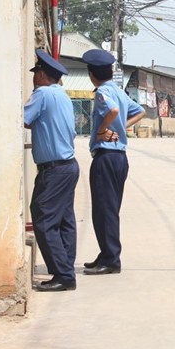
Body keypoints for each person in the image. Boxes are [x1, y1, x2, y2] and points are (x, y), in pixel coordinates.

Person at [81, 49, 145, 275]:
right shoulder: (118, 90)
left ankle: (110, 259)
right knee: (110, 208)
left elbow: (113, 110)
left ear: (91, 74)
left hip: (106, 156)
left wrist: (102, 129)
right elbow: (141, 112)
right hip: (120, 158)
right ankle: (106, 253)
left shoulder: (102, 93)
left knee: (103, 210)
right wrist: (120, 128)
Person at [24, 49, 80, 291]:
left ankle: (64, 275)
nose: (33, 78)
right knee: (64, 219)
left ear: (43, 75)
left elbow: (23, 119)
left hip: (54, 169)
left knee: (44, 218)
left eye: (36, 73)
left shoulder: (43, 94)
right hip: (67, 166)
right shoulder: (62, 95)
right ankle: (64, 266)